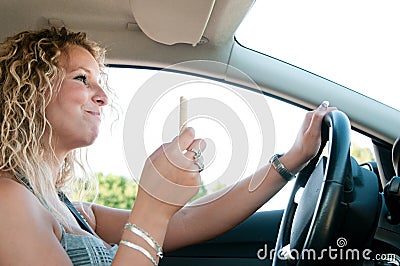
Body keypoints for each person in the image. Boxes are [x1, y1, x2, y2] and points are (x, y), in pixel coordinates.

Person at [0, 27, 336, 265]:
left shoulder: (72, 209)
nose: (102, 97)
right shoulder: (7, 200)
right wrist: (154, 205)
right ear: (29, 93)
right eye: (81, 79)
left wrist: (290, 161)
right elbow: (158, 221)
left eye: (99, 83)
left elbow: (188, 220)